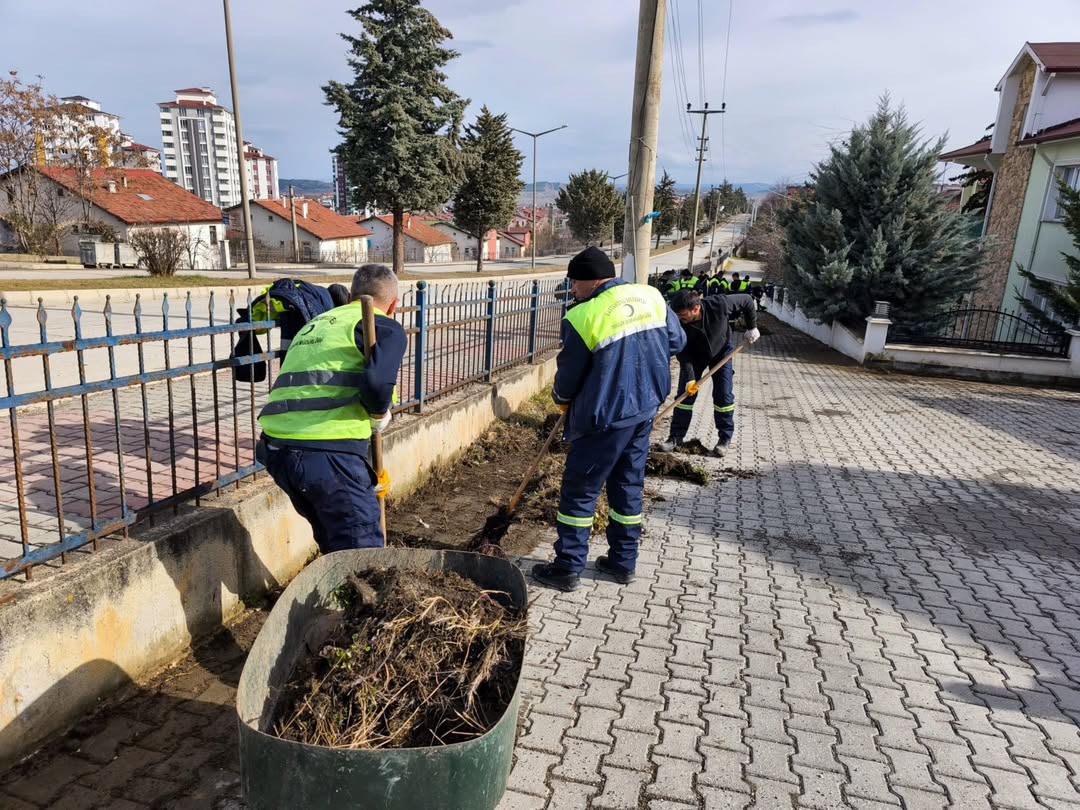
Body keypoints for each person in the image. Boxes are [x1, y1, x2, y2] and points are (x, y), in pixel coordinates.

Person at [532, 247, 686, 592]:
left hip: (603, 419)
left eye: (574, 283)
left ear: (592, 281)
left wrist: (561, 400)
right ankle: (622, 562)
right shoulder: (652, 298)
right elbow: (677, 341)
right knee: (628, 485)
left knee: (581, 492)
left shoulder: (584, 316)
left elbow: (569, 377)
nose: (572, 290)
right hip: (644, 411)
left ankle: (567, 568)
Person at [256, 264, 408, 553]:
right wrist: (379, 414)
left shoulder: (317, 324)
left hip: (277, 452)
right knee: (360, 552)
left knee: (335, 542)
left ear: (350, 295)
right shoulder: (382, 326)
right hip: (327, 455)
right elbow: (377, 387)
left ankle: (336, 592)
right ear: (394, 305)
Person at [657, 289, 760, 458]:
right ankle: (675, 437)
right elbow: (682, 351)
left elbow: (747, 300)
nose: (679, 319)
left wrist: (752, 327)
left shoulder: (719, 304)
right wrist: (690, 378)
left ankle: (724, 439)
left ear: (696, 309)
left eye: (683, 315)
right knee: (684, 397)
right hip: (694, 356)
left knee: (723, 396)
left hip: (722, 353)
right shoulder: (678, 323)